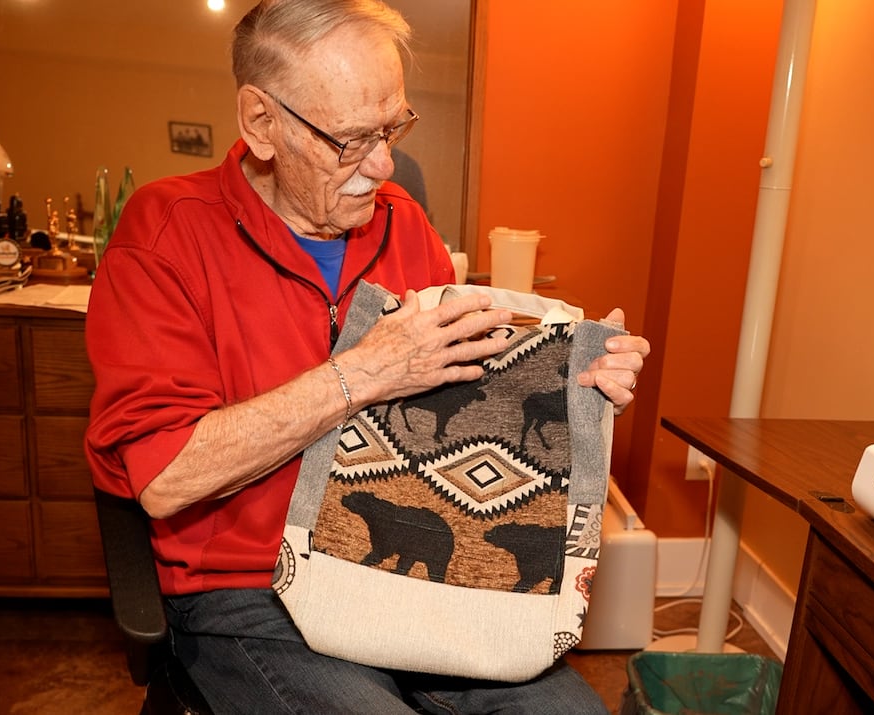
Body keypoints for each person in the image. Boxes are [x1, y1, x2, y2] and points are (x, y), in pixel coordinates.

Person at [85, 1, 650, 712]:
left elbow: (466, 406)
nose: (384, 165)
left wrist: (578, 385)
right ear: (261, 123)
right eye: (351, 139)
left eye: (393, 127)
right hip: (245, 592)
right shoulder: (165, 234)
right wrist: (363, 372)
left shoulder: (405, 227)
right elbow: (165, 476)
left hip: (401, 581)